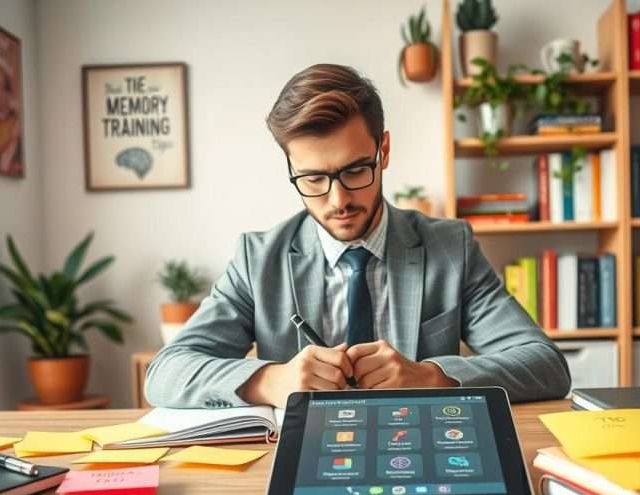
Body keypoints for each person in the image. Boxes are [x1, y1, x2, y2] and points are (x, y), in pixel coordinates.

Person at [145, 64, 570, 409]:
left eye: (354, 170)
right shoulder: (258, 260)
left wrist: (432, 376)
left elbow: (546, 365)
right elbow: (166, 373)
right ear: (291, 169)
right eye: (313, 178)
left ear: (383, 151)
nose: (338, 199)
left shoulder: (450, 248)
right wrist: (270, 380)